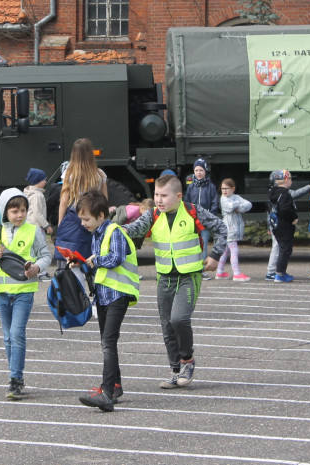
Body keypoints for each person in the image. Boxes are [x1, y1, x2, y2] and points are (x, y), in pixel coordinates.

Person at [121, 174, 227, 389]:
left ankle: (187, 360)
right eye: (156, 195)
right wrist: (117, 229)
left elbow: (221, 228)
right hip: (164, 278)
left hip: (189, 275)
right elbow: (134, 229)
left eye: (164, 196)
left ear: (178, 196)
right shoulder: (152, 215)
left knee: (179, 319)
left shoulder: (192, 211)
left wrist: (215, 254)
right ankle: (175, 370)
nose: (159, 200)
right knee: (167, 326)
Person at [0, 188, 50, 400]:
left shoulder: (34, 231)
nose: (19, 214)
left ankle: (16, 378)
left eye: (22, 210)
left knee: (17, 333)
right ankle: (14, 376)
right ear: (5, 212)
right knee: (7, 336)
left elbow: (46, 256)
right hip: (3, 291)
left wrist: (37, 268)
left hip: (24, 291)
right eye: (14, 211)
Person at [73, 190, 139, 412]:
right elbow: (97, 264)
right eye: (81, 219)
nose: (83, 223)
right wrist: (80, 262)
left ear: (101, 215)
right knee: (107, 341)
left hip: (117, 294)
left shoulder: (114, 231)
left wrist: (95, 261)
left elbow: (116, 258)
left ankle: (107, 393)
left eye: (86, 219)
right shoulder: (97, 234)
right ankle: (116, 386)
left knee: (108, 342)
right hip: (103, 295)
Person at [56, 138, 108, 264]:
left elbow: (64, 201)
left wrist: (60, 223)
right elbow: (104, 200)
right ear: (91, 153)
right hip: (93, 217)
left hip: (74, 216)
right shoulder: (100, 175)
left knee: (71, 259)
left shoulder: (69, 174)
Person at [267, 170, 310, 282]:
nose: (291, 181)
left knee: (281, 248)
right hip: (284, 225)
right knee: (285, 249)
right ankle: (280, 274)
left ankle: (277, 272)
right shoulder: (285, 194)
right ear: (286, 180)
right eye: (290, 179)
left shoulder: (272, 192)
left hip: (276, 225)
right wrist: (294, 217)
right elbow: (286, 209)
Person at [216, 178, 251, 281]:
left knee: (225, 251)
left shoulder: (235, 197)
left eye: (227, 188)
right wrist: (239, 205)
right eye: (222, 188)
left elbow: (248, 204)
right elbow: (230, 206)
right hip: (228, 228)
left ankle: (220, 271)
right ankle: (236, 273)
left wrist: (238, 207)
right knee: (234, 250)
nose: (224, 191)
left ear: (233, 189)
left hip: (235, 228)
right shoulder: (224, 199)